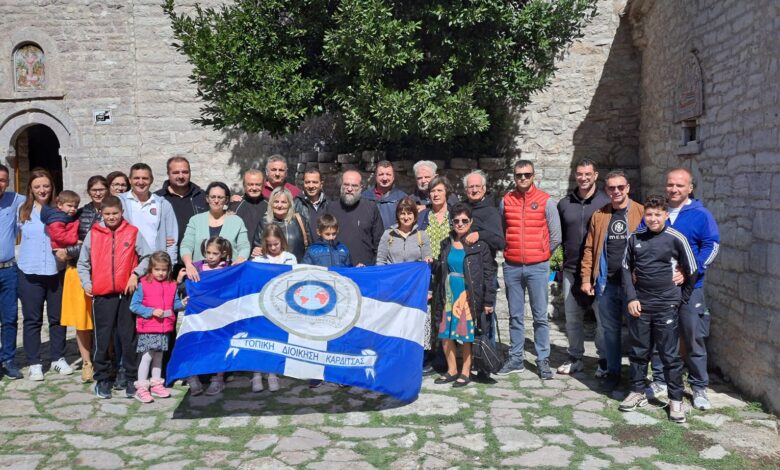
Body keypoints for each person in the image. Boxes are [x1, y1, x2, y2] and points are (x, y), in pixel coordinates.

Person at [619, 195, 697, 423]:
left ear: (665, 215)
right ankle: (637, 391)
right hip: (640, 306)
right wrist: (631, 298)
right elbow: (625, 269)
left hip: (666, 306)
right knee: (639, 352)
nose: (652, 218)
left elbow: (692, 269)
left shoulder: (676, 238)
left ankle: (675, 400)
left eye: (657, 214)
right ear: (645, 215)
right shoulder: (635, 238)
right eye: (649, 214)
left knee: (670, 356)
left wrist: (681, 299)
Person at [647, 168, 720, 410]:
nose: (674, 189)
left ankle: (699, 387)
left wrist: (690, 270)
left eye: (680, 185)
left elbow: (712, 246)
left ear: (690, 188)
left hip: (690, 288)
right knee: (661, 337)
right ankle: (660, 381)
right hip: (659, 289)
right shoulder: (659, 212)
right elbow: (640, 237)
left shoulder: (700, 215)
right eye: (670, 185)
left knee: (693, 337)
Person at [77, 195, 153, 399]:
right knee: (102, 339)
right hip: (102, 295)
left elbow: (147, 257)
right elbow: (83, 263)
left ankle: (130, 378)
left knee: (128, 338)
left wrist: (135, 275)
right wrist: (86, 283)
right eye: (107, 214)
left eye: (115, 214)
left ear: (122, 213)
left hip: (126, 293)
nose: (111, 217)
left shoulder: (132, 232)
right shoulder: (94, 233)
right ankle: (102, 379)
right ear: (101, 213)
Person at [496, 161, 561, 379]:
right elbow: (503, 230)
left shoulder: (545, 201)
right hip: (512, 266)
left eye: (527, 174)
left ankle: (542, 359)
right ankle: (516, 358)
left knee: (540, 316)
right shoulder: (506, 200)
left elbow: (556, 236)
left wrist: (542, 254)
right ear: (514, 177)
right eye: (518, 175)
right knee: (515, 316)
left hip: (537, 267)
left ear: (534, 176)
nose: (522, 178)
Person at [580, 170, 644, 391]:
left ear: (628, 188)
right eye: (611, 188)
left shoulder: (642, 213)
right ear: (606, 190)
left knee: (638, 333)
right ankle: (613, 372)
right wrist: (586, 279)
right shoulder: (600, 215)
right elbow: (589, 249)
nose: (616, 191)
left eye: (620, 187)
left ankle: (638, 378)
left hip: (633, 287)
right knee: (610, 332)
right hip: (606, 284)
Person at [556, 159, 611, 376]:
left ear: (595, 175)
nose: (584, 178)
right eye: (580, 174)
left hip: (599, 270)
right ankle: (575, 357)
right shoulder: (564, 204)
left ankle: (604, 359)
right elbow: (558, 236)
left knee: (602, 319)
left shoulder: (606, 202)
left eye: (588, 174)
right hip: (571, 269)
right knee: (572, 318)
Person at [433, 203, 496, 388]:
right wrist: (431, 264)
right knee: (445, 334)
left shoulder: (480, 245)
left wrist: (488, 300)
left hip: (469, 295)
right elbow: (441, 268)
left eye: (464, 221)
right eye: (456, 221)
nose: (460, 224)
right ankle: (452, 370)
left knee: (466, 335)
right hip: (448, 293)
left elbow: (489, 274)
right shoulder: (446, 243)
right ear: (452, 222)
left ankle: (466, 372)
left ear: (471, 222)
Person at [17, 168, 70, 381]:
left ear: (52, 187)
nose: (42, 190)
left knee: (57, 318)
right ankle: (34, 362)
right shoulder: (23, 211)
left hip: (55, 271)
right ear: (30, 188)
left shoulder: (60, 209)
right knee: (32, 319)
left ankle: (58, 358)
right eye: (37, 186)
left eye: (46, 186)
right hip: (29, 271)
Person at [61, 175, 109, 383]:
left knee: (103, 320)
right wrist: (72, 249)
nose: (98, 192)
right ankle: (87, 362)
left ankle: (104, 360)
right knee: (82, 321)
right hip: (79, 271)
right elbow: (64, 238)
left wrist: (73, 249)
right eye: (94, 189)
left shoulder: (113, 211)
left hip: (104, 271)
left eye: (101, 189)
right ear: (89, 192)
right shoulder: (80, 213)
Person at [179, 236, 233, 396]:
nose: (210, 256)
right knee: (194, 345)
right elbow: (185, 287)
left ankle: (218, 379)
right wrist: (181, 282)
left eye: (214, 253)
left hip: (219, 316)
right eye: (207, 252)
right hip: (198, 316)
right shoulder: (197, 267)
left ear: (222, 253)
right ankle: (192, 378)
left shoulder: (228, 269)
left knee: (218, 346)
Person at [129, 251, 185, 403]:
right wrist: (151, 311)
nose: (160, 273)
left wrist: (183, 304)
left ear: (168, 270)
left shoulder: (172, 285)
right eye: (157, 269)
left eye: (164, 270)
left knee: (159, 357)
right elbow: (134, 306)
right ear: (150, 269)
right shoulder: (143, 284)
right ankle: (141, 388)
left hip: (164, 328)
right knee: (147, 357)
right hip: (148, 327)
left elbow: (174, 305)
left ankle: (156, 384)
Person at [250, 224, 296, 392]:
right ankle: (256, 374)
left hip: (280, 306)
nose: (273, 247)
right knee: (259, 340)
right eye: (269, 245)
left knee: (275, 339)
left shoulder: (290, 258)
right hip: (261, 306)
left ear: (282, 241)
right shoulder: (258, 259)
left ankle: (272, 373)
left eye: (276, 244)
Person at [417, 176, 453, 375]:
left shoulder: (453, 214)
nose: (436, 194)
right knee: (427, 315)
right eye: (432, 191)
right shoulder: (424, 216)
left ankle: (443, 356)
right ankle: (426, 354)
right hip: (427, 272)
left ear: (446, 191)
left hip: (448, 272)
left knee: (445, 313)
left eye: (439, 190)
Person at [181, 182, 250, 282]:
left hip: (228, 276)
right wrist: (189, 265)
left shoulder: (236, 221)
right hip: (200, 277)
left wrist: (240, 259)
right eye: (213, 197)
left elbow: (244, 246)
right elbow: (186, 245)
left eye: (220, 197)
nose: (216, 201)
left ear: (226, 200)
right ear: (207, 198)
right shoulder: (195, 220)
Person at [119, 163, 179, 264]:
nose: (141, 182)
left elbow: (172, 240)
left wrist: (170, 265)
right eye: (136, 178)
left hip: (156, 265)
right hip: (127, 263)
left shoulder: (163, 204)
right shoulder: (119, 202)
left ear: (151, 180)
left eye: (145, 178)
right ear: (130, 180)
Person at [324, 170, 384, 266]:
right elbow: (323, 240)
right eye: (346, 185)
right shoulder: (331, 208)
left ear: (361, 187)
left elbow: (380, 243)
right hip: (337, 269)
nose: (349, 189)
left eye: (354, 186)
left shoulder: (371, 208)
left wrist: (373, 266)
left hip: (364, 270)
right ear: (341, 186)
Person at [0, 163, 26, 379]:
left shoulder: (16, 200)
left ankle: (8, 359)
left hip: (8, 270)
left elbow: (37, 205)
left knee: (9, 318)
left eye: (2, 180)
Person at [154, 156, 207, 249]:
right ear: (168, 174)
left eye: (185, 172)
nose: (181, 176)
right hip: (167, 256)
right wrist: (158, 238)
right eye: (175, 172)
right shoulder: (157, 199)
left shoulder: (202, 196)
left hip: (197, 256)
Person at [253, 187, 310, 263]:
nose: (279, 205)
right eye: (276, 202)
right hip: (272, 269)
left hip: (295, 268)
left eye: (283, 202)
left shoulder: (300, 220)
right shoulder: (264, 222)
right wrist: (256, 250)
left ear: (289, 204)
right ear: (271, 203)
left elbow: (310, 246)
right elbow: (257, 247)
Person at [376, 197, 432, 265]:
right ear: (398, 215)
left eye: (409, 213)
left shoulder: (422, 236)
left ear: (415, 215)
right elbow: (380, 260)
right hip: (394, 275)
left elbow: (426, 258)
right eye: (402, 213)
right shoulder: (388, 234)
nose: (406, 217)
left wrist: (428, 259)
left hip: (414, 275)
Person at [361, 161, 407, 230]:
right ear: (375, 176)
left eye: (388, 174)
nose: (385, 178)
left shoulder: (402, 198)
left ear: (393, 177)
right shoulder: (364, 197)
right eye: (381, 174)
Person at [228, 169, 268, 247]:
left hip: (264, 253)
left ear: (263, 185)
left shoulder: (270, 205)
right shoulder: (235, 205)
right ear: (244, 185)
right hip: (241, 254)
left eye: (258, 184)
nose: (254, 188)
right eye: (250, 184)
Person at [294, 168, 330, 242]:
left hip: (326, 250)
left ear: (321, 184)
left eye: (315, 182)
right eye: (307, 182)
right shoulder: (294, 205)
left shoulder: (329, 205)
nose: (311, 186)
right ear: (303, 183)